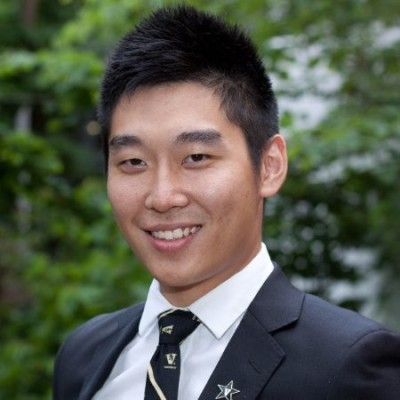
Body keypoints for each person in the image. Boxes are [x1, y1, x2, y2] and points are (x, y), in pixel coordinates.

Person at [53, 5, 400, 400]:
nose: (162, 197)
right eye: (133, 162)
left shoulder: (349, 365)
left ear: (269, 166)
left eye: (196, 157)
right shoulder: (83, 357)